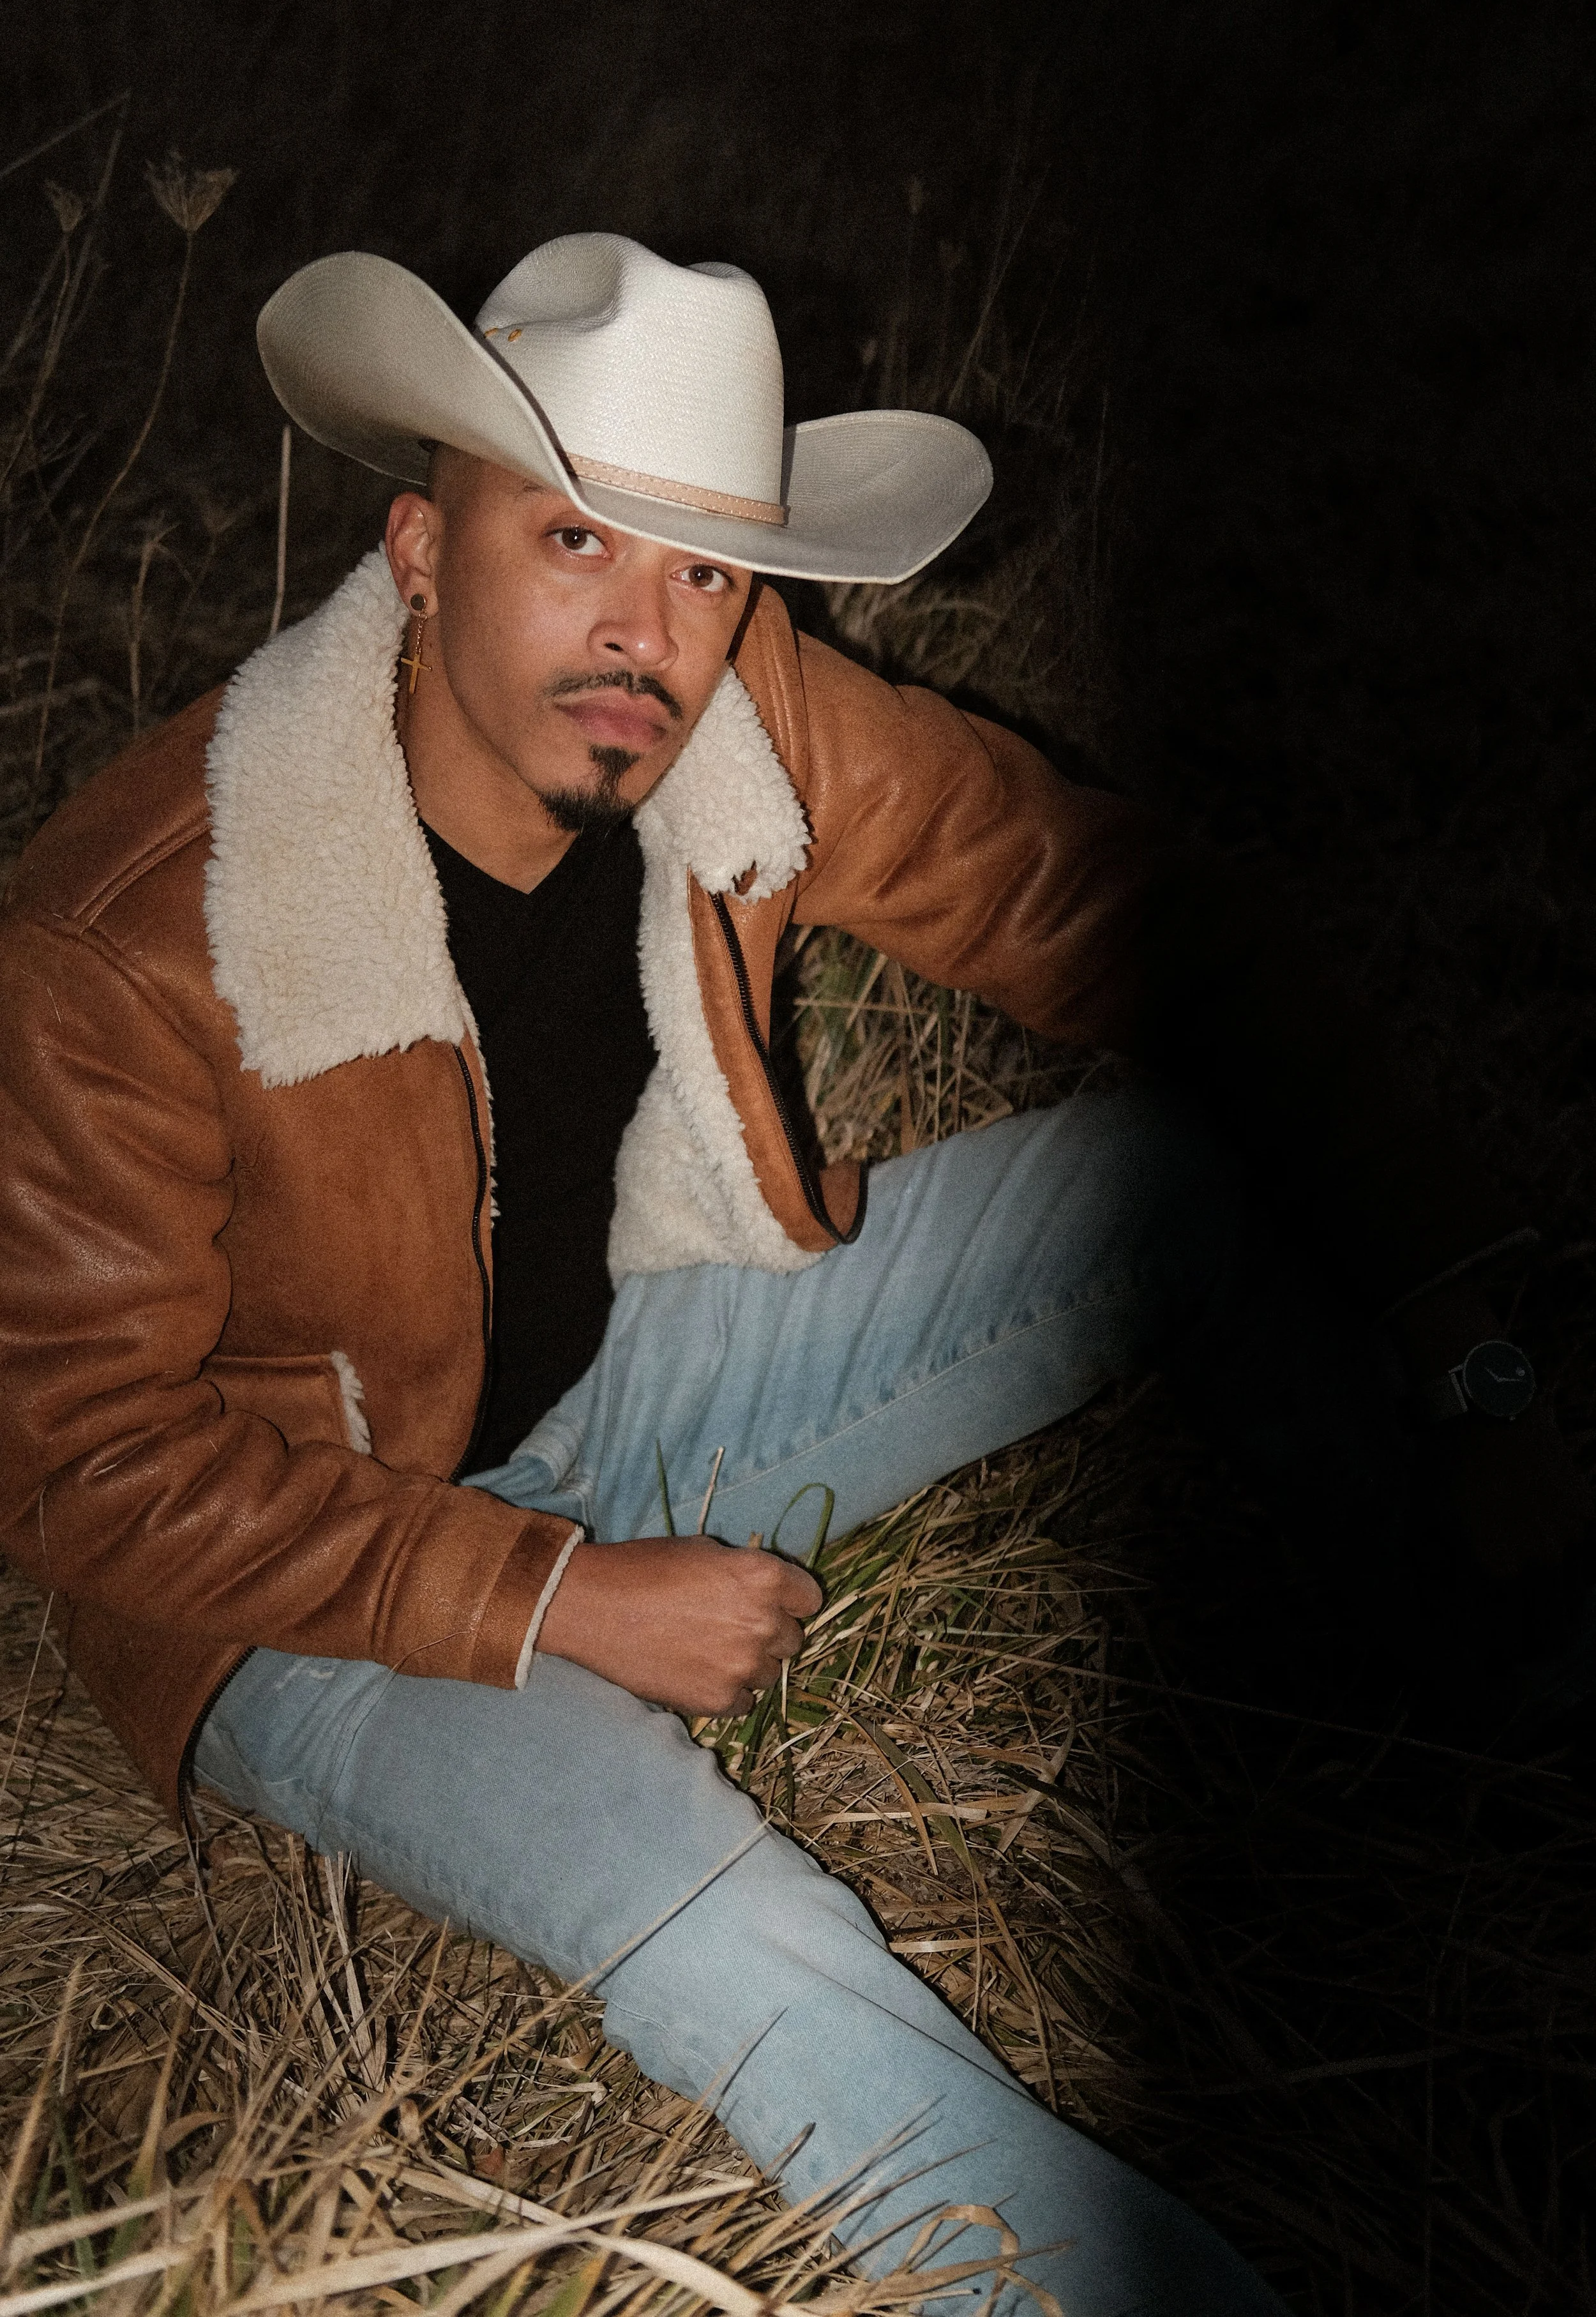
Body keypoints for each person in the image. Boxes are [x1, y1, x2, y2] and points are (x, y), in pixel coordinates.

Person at [0, 233, 1585, 2314]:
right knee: (734, 1925)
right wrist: (550, 1593)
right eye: (573, 536)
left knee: (1165, 1177)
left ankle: (1496, 1707)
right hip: (302, 1576)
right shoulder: (132, 930)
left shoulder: (735, 714)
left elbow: (1145, 923)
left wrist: (1464, 1341)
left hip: (623, 1384)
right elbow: (70, 1461)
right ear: (415, 541)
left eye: (705, 568)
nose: (644, 635)